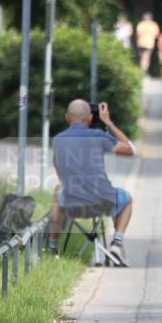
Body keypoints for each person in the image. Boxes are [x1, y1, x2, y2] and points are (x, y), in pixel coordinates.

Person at [48, 99, 136, 267]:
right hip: (104, 203)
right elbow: (130, 149)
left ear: (67, 118)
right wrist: (108, 122)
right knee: (127, 200)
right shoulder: (99, 136)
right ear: (89, 118)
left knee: (57, 191)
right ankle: (117, 243)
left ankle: (52, 248)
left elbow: (60, 174)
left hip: (73, 205)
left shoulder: (58, 140)